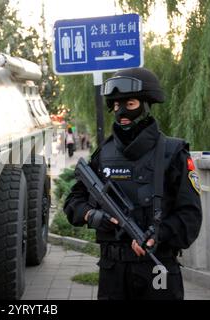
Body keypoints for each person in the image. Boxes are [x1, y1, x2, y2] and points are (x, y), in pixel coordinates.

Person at [63, 67, 202, 300]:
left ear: (147, 105)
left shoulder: (173, 153)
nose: (121, 112)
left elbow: (190, 217)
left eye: (130, 104)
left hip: (157, 268)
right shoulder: (103, 154)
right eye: (116, 106)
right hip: (112, 271)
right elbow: (73, 201)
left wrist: (159, 234)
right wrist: (91, 215)